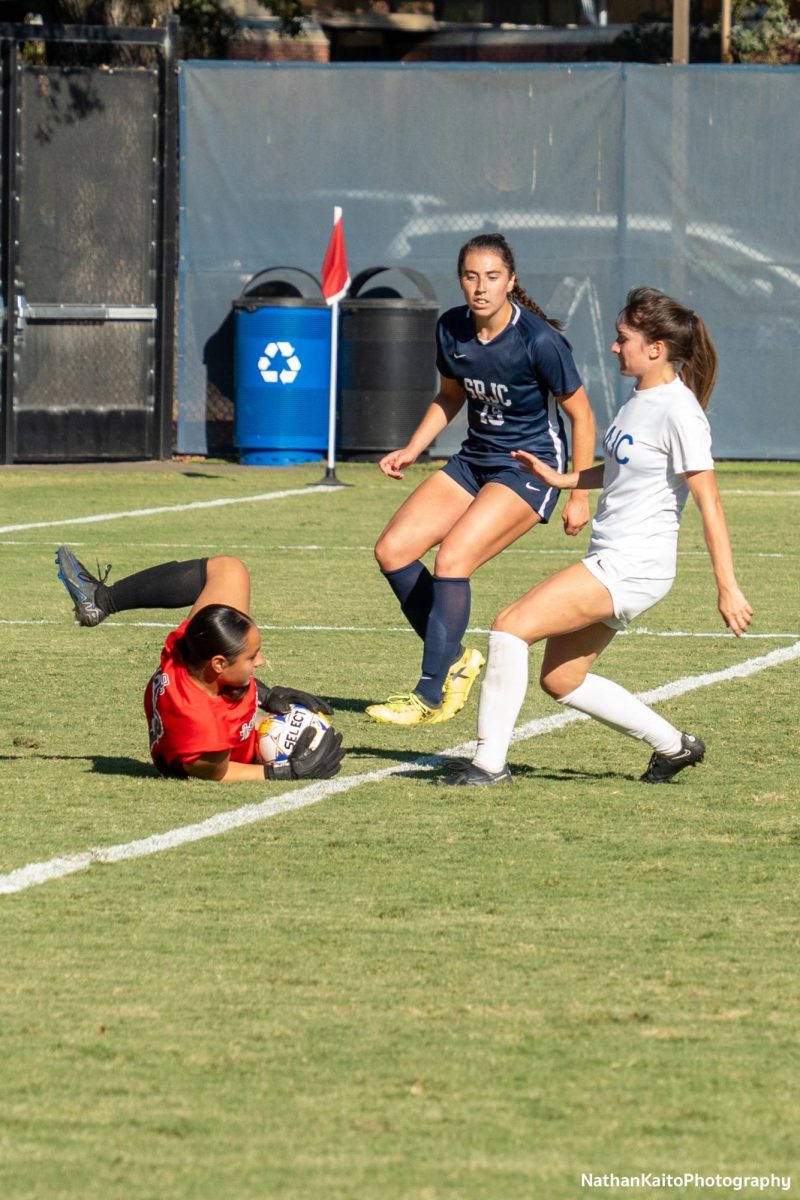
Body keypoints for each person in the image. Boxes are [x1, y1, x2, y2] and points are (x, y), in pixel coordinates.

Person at [444, 286, 753, 787]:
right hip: (619, 562)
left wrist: (728, 586)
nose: (613, 347)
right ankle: (674, 746)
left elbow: (709, 502)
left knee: (509, 627)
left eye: (622, 338)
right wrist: (564, 479)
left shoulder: (680, 411)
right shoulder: (641, 399)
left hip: (631, 567)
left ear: (655, 348)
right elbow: (621, 468)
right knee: (561, 679)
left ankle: (487, 765)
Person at [366, 232, 596, 727]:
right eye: (471, 276)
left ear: (510, 281)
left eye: (492, 276)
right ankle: (455, 660)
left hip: (528, 467)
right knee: (393, 550)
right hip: (474, 460)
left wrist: (576, 493)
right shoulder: (451, 328)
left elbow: (583, 416)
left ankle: (430, 695)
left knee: (453, 559)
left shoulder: (540, 340)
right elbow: (450, 395)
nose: (481, 287)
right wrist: (413, 448)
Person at [55, 546, 344, 783]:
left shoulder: (187, 645)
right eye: (252, 657)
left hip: (209, 700)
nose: (261, 660)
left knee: (229, 571)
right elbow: (218, 772)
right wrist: (284, 771)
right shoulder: (203, 725)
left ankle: (101, 599)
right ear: (218, 664)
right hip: (213, 749)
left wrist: (265, 694)